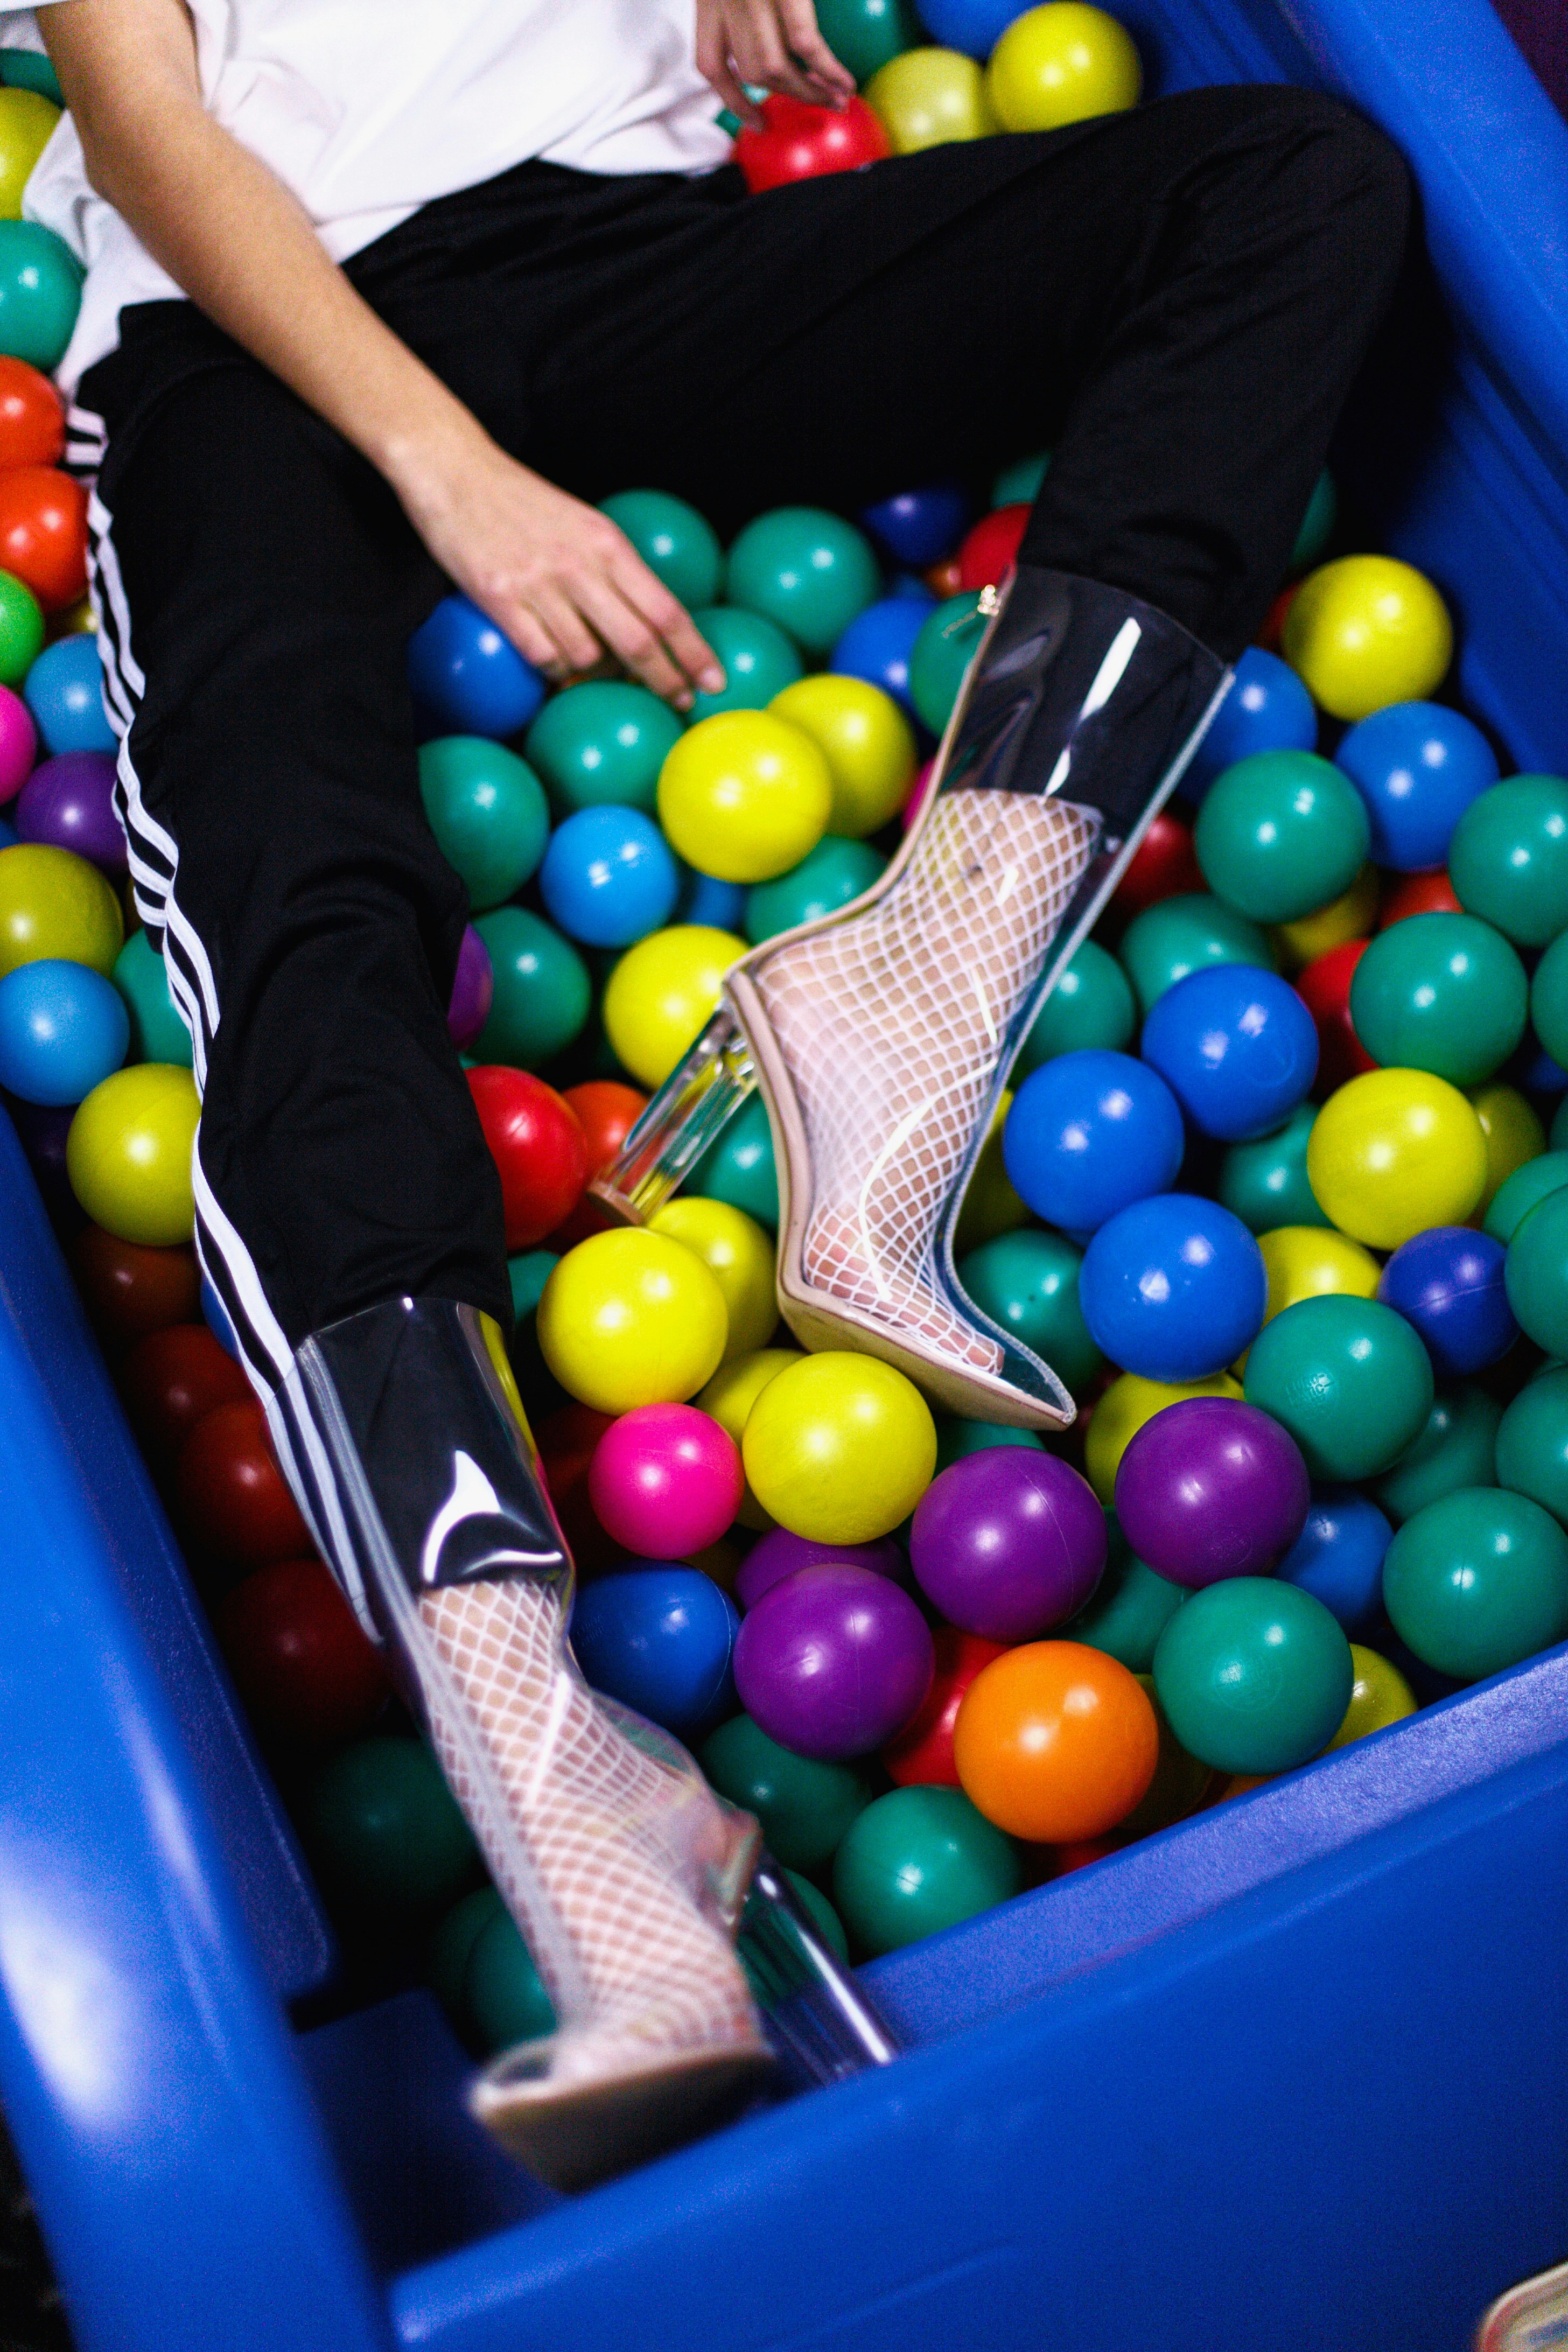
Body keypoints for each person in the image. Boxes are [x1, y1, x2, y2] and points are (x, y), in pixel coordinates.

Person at [12, 0, 1409, 2181]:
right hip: (244, 347)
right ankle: (559, 1787)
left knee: (1288, 184)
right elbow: (144, 124)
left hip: (620, 262)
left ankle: (927, 979)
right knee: (300, 898)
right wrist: (448, 475)